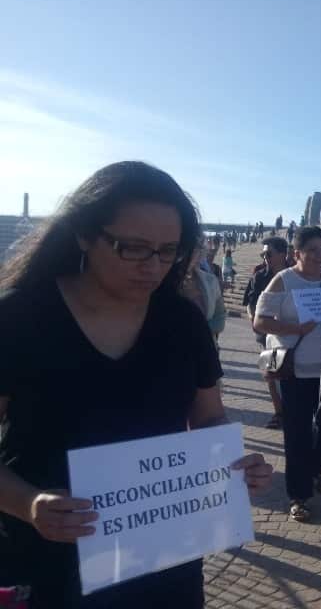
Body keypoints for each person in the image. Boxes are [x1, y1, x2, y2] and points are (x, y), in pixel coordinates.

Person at [0, 161, 272, 608]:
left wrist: (231, 462)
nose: (154, 266)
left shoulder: (184, 321)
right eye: (133, 248)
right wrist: (29, 504)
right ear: (85, 234)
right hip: (47, 562)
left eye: (169, 250)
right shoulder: (19, 318)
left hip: (162, 557)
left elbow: (208, 417)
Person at [253, 226, 321, 523]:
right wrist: (296, 328)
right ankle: (299, 495)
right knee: (298, 433)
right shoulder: (284, 280)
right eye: (313, 251)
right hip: (295, 371)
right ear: (297, 254)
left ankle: (314, 469)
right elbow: (260, 321)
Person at [243, 237, 289, 429]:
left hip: (291, 336)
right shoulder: (259, 276)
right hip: (265, 337)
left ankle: (295, 412)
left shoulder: (295, 275)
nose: (265, 258)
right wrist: (254, 319)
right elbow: (249, 304)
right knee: (270, 375)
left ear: (282, 254)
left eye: (269, 254)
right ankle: (279, 413)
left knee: (290, 376)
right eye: (263, 254)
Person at [181, 240, 226, 342]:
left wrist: (197, 331)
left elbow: (220, 318)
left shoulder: (210, 280)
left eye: (196, 249)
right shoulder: (164, 281)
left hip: (205, 348)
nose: (191, 254)